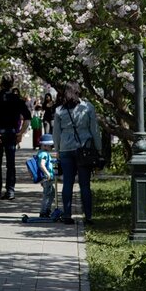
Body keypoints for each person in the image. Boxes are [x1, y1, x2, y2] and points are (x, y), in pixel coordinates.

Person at [52, 81, 101, 224]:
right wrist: (98, 148)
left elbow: (56, 133)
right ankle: (89, 217)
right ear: (78, 92)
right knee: (85, 185)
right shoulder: (88, 107)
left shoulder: (59, 110)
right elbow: (94, 130)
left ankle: (67, 215)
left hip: (66, 149)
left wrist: (57, 150)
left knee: (68, 183)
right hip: (84, 148)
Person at [0, 76, 32, 199]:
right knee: (10, 163)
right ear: (12, 84)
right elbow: (27, 118)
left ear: (1, 84)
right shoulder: (17, 99)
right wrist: (20, 133)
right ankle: (10, 190)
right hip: (11, 133)